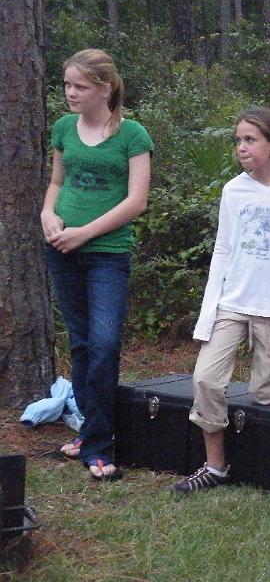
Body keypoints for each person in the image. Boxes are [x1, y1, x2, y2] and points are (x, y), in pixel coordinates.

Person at [171, 108, 270, 493]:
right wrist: (208, 316)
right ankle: (215, 465)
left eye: (250, 140)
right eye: (238, 140)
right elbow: (222, 251)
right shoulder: (233, 190)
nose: (241, 147)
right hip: (232, 304)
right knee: (205, 379)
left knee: (266, 394)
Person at [42, 49, 153, 481]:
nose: (71, 93)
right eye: (68, 84)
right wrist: (48, 216)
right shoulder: (63, 128)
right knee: (82, 343)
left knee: (104, 345)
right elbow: (56, 182)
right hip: (61, 248)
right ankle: (91, 434)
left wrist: (84, 232)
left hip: (106, 253)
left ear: (104, 89)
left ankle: (100, 447)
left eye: (80, 86)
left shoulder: (132, 135)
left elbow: (136, 201)